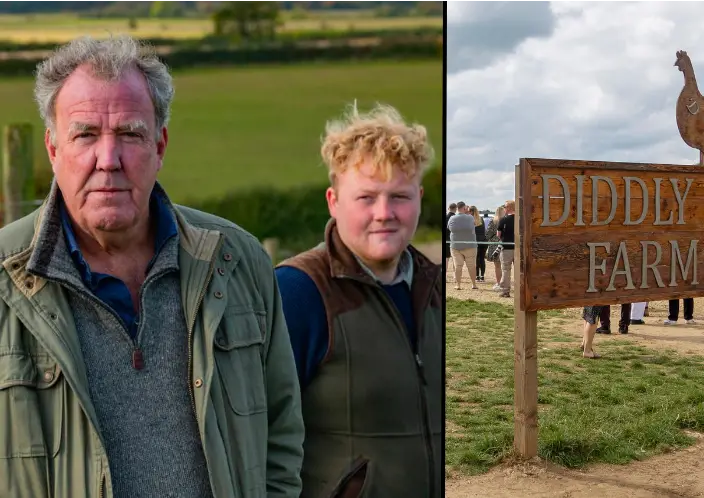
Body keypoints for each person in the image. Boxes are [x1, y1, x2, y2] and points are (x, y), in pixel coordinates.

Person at [0, 34, 304, 497]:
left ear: (159, 145)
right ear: (53, 149)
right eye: (85, 134)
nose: (108, 160)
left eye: (130, 134)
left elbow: (282, 433)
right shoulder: (6, 278)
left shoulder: (236, 260)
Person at [275, 102, 443, 498]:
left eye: (399, 196)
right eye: (366, 197)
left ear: (419, 197)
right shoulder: (297, 291)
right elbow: (258, 435)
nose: (385, 213)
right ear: (333, 201)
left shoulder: (435, 288)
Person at [447, 201, 478, 290]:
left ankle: (458, 285)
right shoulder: (470, 218)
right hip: (470, 245)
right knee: (471, 266)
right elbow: (474, 226)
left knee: (457, 266)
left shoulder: (452, 218)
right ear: (464, 208)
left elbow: (449, 228)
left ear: (457, 208)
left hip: (455, 246)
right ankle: (473, 284)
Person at [497, 200, 516, 298]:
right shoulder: (521, 219)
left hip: (507, 248)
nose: (504, 209)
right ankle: (521, 291)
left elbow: (498, 235)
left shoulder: (503, 220)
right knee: (520, 270)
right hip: (519, 248)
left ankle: (505, 291)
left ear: (509, 208)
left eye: (505, 207)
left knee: (505, 270)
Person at [486, 205, 504, 289]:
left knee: (497, 266)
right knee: (506, 266)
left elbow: (488, 234)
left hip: (494, 245)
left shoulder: (493, 221)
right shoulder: (507, 220)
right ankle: (505, 283)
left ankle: (498, 283)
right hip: (505, 244)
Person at [470, 205, 487, 282]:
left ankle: (477, 276)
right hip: (483, 240)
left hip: (475, 241)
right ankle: (482, 276)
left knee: (476, 259)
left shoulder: (471, 219)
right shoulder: (481, 219)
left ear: (471, 212)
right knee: (482, 259)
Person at [444, 203, 456, 275]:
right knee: (455, 258)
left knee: (446, 258)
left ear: (449, 208)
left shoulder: (445, 217)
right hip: (454, 239)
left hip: (446, 239)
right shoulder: (456, 217)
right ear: (456, 209)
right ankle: (455, 275)